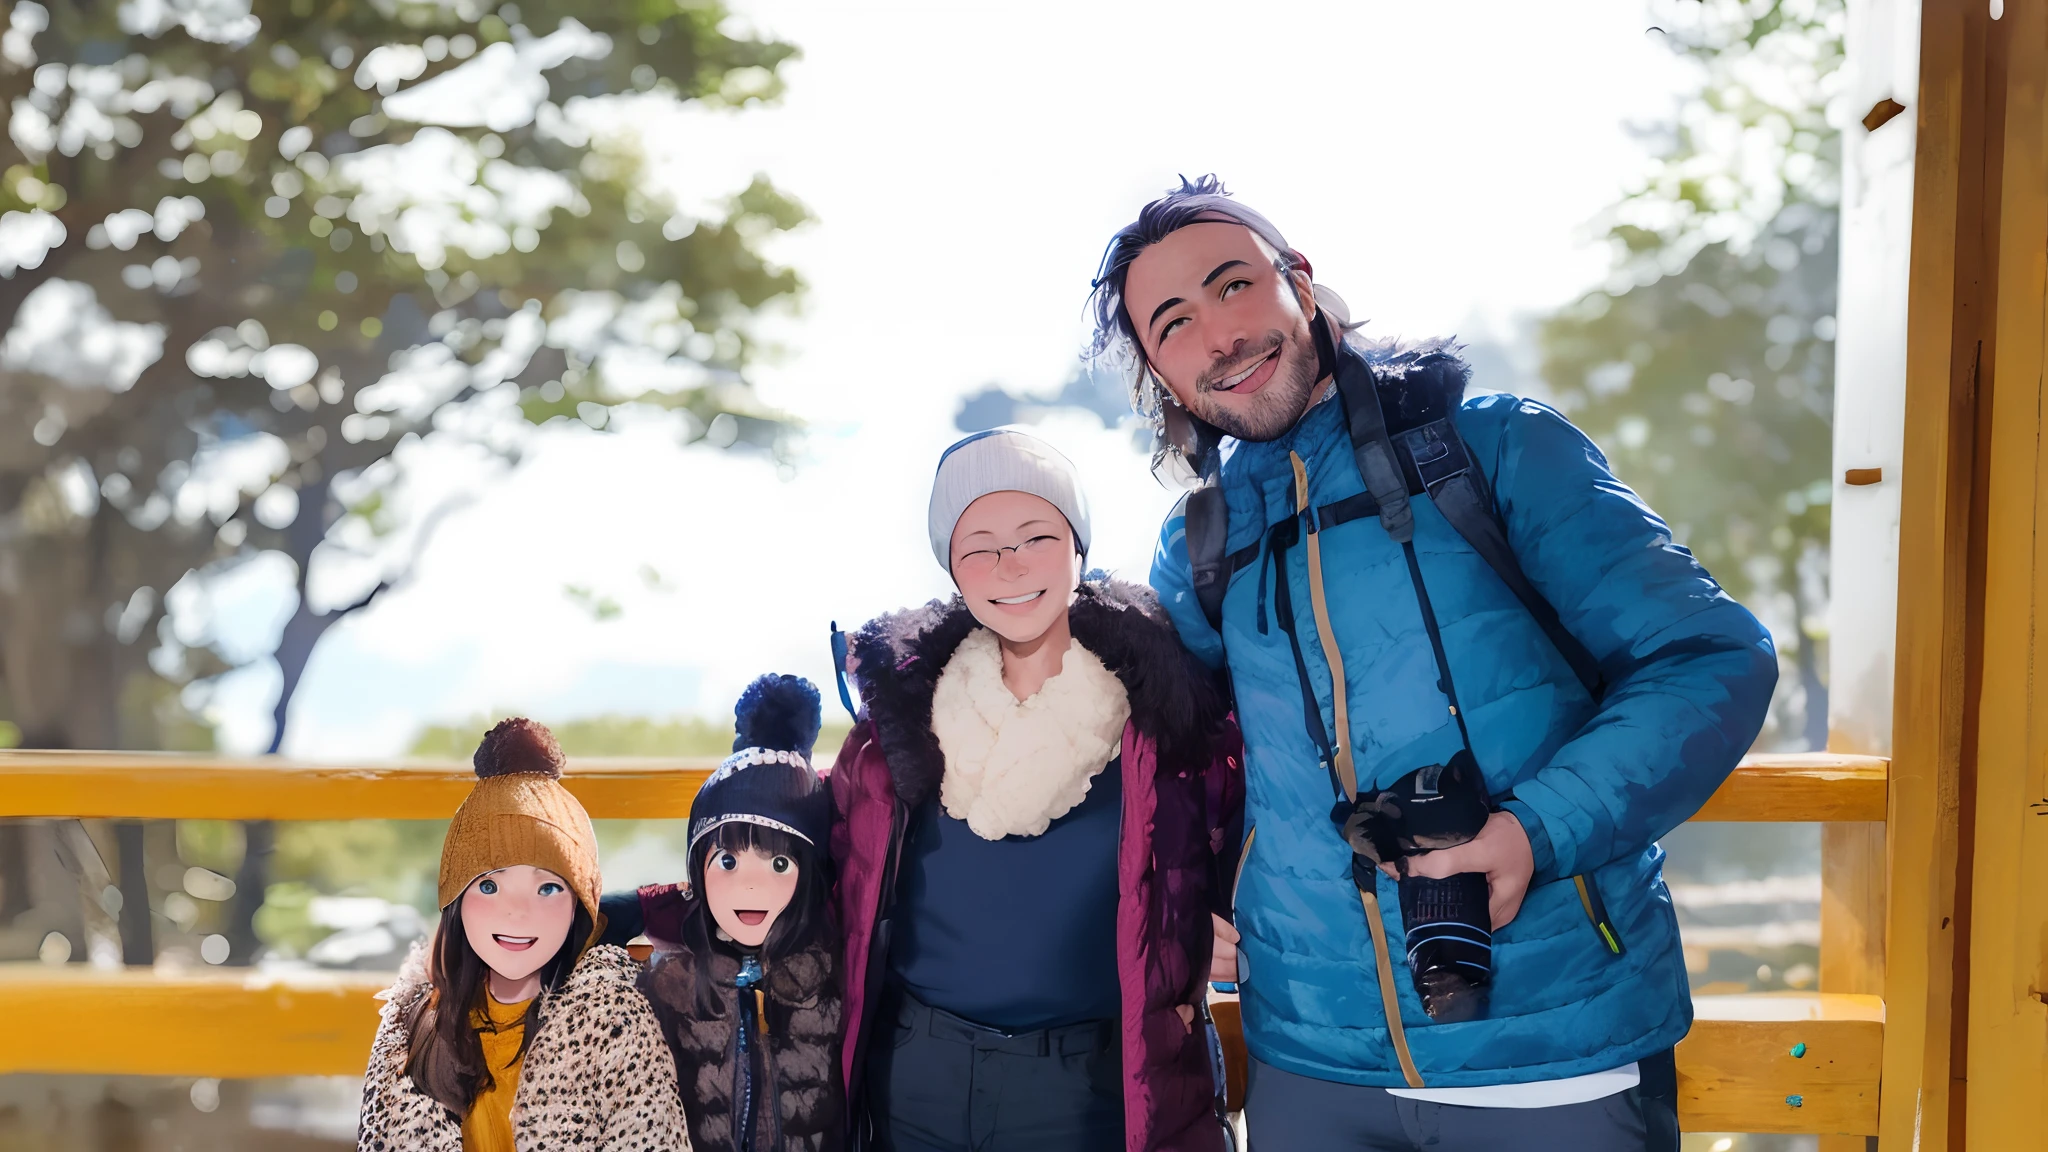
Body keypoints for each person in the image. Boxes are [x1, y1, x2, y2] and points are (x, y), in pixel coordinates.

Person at [1086, 176, 1778, 1151]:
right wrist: (1178, 905)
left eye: (1233, 285)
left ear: (1298, 282)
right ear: (1160, 374)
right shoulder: (1198, 540)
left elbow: (1711, 658)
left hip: (1551, 1052)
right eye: (1172, 324)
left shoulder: (1493, 447)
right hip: (1307, 1065)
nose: (1219, 335)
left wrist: (1529, 833)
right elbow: (1176, 762)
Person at [831, 428, 1243, 1152]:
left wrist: (1224, 931)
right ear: (953, 568)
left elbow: (1255, 837)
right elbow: (828, 869)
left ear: (1078, 545)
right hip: (915, 1069)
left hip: (1088, 1081)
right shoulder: (901, 717)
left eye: (1036, 536)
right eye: (980, 544)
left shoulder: (1163, 711)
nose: (1010, 565)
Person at [356, 718, 687, 1152]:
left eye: (547, 887)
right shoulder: (408, 1026)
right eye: (489, 886)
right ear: (455, 899)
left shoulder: (611, 1020)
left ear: (579, 906)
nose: (516, 911)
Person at [637, 673, 845, 1152]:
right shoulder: (672, 986)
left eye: (778, 862)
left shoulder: (833, 974)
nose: (750, 885)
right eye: (727, 861)